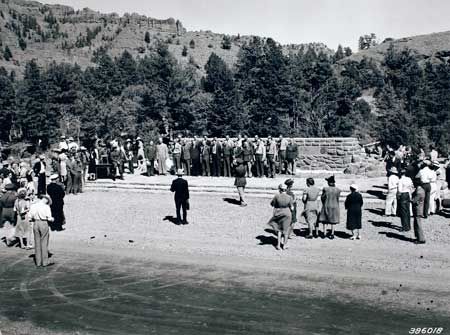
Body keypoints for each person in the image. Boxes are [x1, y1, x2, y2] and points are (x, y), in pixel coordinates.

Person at [29, 195, 54, 267]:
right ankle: (45, 262)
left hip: (36, 223)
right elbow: (49, 218)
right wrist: (52, 219)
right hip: (43, 223)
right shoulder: (46, 207)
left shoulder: (33, 206)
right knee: (44, 242)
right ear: (45, 199)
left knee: (37, 242)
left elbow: (30, 217)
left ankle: (38, 261)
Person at [267, 184, 293, 250]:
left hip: (279, 212)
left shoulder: (277, 196)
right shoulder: (289, 197)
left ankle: (278, 245)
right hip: (287, 213)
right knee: (286, 230)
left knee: (279, 230)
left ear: (279, 189)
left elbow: (272, 204)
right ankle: (284, 245)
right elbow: (292, 207)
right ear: (286, 189)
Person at [411, 178, 426, 244]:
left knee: (418, 224)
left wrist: (409, 200)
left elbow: (414, 200)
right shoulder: (421, 190)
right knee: (417, 223)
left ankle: (421, 239)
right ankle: (418, 237)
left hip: (418, 209)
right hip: (419, 208)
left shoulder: (418, 191)